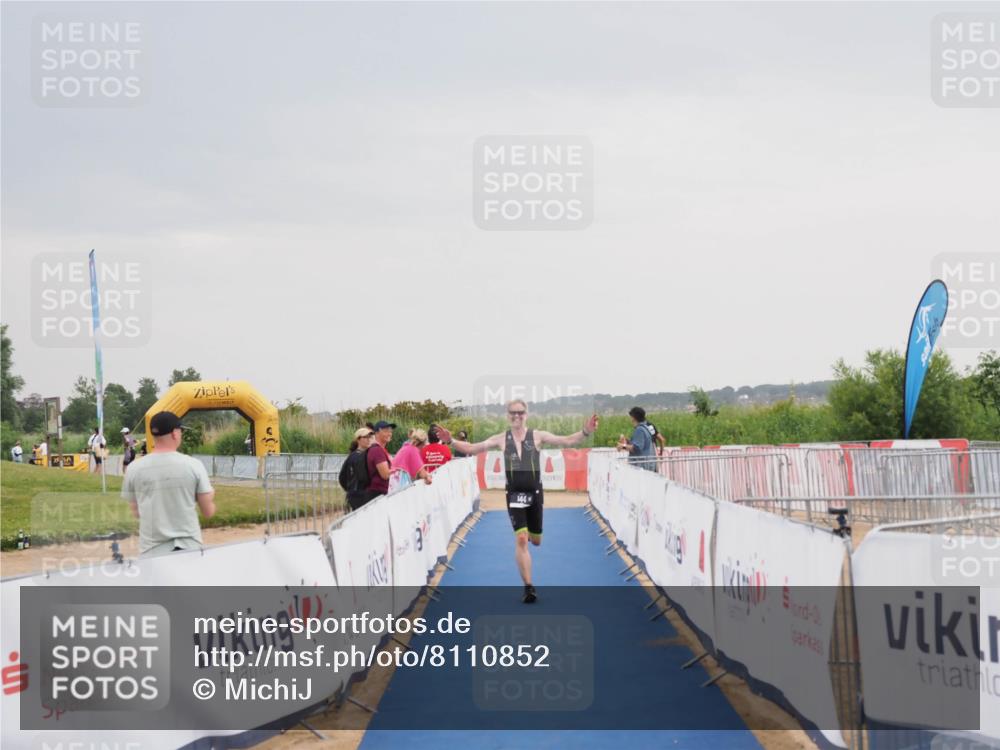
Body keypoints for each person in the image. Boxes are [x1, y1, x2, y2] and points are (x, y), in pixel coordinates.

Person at [437, 401, 598, 603]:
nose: (517, 416)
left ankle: (530, 534)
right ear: (508, 415)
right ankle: (528, 587)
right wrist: (450, 440)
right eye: (513, 413)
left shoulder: (538, 436)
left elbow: (566, 440)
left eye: (520, 412)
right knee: (521, 539)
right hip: (514, 494)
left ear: (526, 414)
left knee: (536, 541)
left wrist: (585, 431)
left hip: (535, 494)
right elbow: (473, 448)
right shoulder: (501, 439)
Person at [120, 411, 216, 557]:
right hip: (189, 547)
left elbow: (137, 512)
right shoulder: (194, 465)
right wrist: (210, 496)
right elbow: (208, 512)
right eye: (180, 431)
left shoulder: (133, 468)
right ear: (174, 434)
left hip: (152, 549)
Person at [339, 427, 374, 511]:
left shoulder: (365, 455)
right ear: (358, 440)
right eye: (365, 437)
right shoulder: (355, 457)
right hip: (358, 494)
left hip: (359, 493)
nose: (368, 439)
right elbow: (342, 477)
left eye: (369, 437)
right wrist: (351, 489)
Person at [365, 421, 396, 503]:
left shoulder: (381, 449)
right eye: (386, 431)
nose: (389, 434)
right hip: (377, 494)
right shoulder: (377, 450)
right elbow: (385, 475)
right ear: (377, 433)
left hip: (381, 492)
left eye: (390, 431)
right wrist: (398, 471)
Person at [618, 406, 657, 471]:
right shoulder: (645, 428)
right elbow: (639, 445)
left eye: (631, 417)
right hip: (648, 465)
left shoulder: (640, 430)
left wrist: (622, 446)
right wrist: (627, 441)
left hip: (641, 467)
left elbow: (637, 448)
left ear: (633, 418)